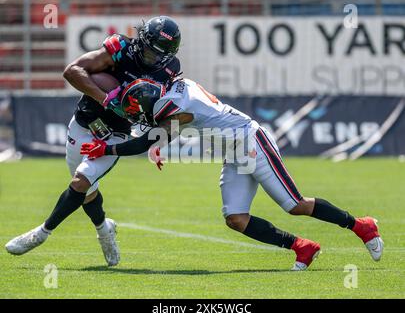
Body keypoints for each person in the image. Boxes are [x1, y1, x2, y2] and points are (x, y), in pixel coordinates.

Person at [80, 77, 384, 270]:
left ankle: (361, 226)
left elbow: (154, 134)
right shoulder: (173, 89)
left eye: (138, 110)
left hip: (252, 142)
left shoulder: (173, 106)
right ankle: (302, 247)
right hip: (233, 151)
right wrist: (159, 143)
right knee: (236, 219)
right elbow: (169, 126)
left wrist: (107, 150)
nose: (138, 116)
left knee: (295, 205)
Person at [5, 16, 181, 267]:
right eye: (149, 51)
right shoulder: (120, 49)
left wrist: (157, 140)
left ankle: (41, 233)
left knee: (81, 182)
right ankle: (104, 229)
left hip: (116, 134)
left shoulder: (169, 69)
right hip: (84, 125)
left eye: (158, 55)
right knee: (86, 192)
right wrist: (106, 98)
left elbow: (163, 109)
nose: (152, 58)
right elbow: (72, 71)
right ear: (142, 40)